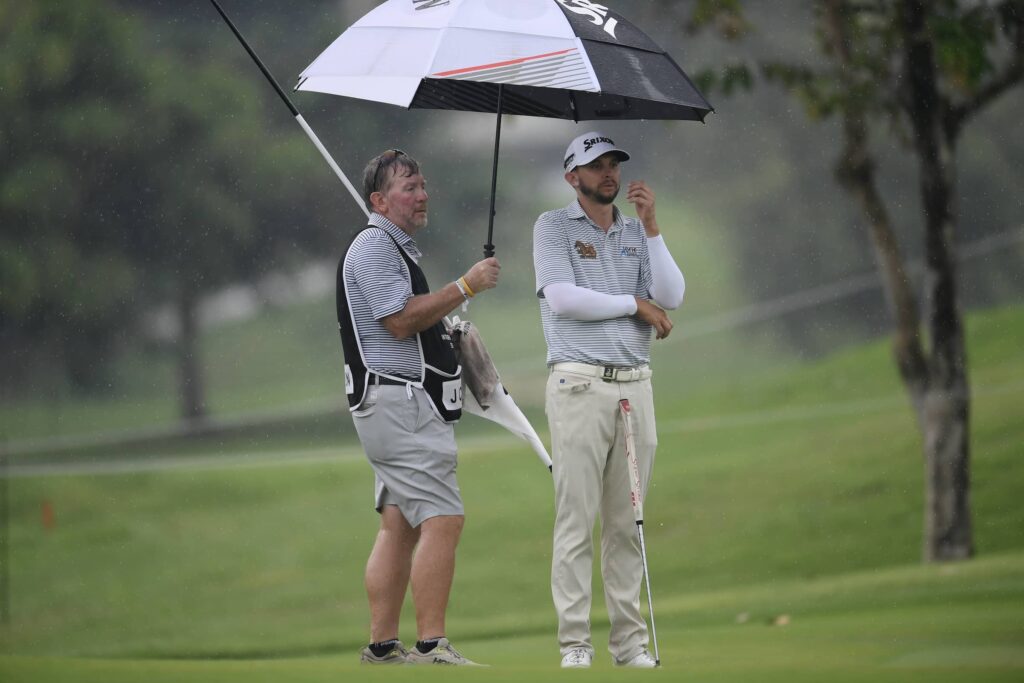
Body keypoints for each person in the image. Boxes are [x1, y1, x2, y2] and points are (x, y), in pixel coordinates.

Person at [337, 149, 500, 666]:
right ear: (379, 201)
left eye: (423, 184)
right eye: (409, 187)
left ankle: (383, 647)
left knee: (399, 524)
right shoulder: (375, 248)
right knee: (443, 517)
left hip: (388, 402)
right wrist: (466, 285)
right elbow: (400, 321)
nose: (422, 194)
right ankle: (432, 646)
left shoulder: (387, 246)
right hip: (398, 402)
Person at [532, 131, 685, 669]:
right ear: (572, 177)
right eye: (596, 166)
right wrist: (633, 306)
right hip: (578, 383)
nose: (609, 174)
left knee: (627, 523)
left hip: (635, 386)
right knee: (577, 519)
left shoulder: (633, 233)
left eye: (614, 164)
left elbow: (670, 296)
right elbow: (563, 299)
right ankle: (575, 644)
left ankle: (630, 646)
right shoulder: (552, 227)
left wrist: (652, 228)